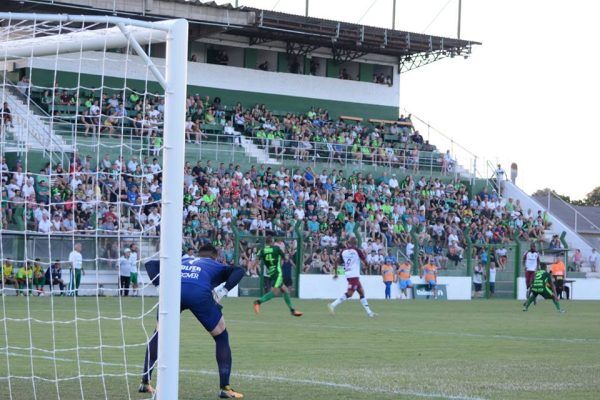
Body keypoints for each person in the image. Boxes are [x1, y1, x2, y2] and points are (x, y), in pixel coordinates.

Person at [140, 244, 245, 398]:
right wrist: (222, 291)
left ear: (198, 254)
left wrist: (159, 286)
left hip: (174, 291)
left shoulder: (183, 261)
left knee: (159, 333)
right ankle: (225, 387)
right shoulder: (215, 265)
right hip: (199, 293)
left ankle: (145, 382)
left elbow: (150, 264)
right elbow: (240, 270)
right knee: (221, 336)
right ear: (215, 256)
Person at [253, 236, 303, 317]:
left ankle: (292, 310)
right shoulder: (276, 248)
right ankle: (258, 302)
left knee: (285, 291)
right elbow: (285, 258)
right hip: (277, 273)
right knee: (274, 292)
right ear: (272, 242)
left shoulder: (262, 250)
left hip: (271, 273)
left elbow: (256, 260)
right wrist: (288, 255)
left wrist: (253, 267)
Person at [327, 236, 376, 317]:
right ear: (356, 243)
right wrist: (367, 267)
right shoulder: (357, 250)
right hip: (354, 275)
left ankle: (369, 312)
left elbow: (336, 262)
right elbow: (365, 262)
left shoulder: (343, 251)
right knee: (350, 294)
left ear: (349, 243)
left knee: (361, 292)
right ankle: (332, 305)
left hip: (349, 274)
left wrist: (336, 273)